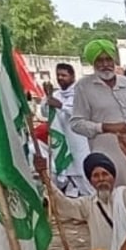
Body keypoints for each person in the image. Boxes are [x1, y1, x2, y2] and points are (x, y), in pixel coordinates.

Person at [70, 40, 126, 186]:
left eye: (108, 59)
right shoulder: (84, 86)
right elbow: (76, 124)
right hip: (107, 161)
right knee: (115, 203)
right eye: (100, 60)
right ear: (93, 63)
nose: (105, 64)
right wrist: (105, 127)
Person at [42, 152, 126, 250]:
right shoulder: (88, 204)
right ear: (90, 181)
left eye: (105, 174)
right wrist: (45, 177)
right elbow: (64, 205)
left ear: (113, 177)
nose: (101, 179)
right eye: (96, 176)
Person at [43, 63, 93, 197]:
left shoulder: (81, 92)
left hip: (81, 142)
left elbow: (81, 112)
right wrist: (47, 97)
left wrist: (60, 105)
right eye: (58, 75)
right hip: (64, 143)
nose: (60, 78)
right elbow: (44, 113)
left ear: (72, 76)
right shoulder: (56, 94)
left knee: (85, 174)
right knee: (69, 174)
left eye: (64, 75)